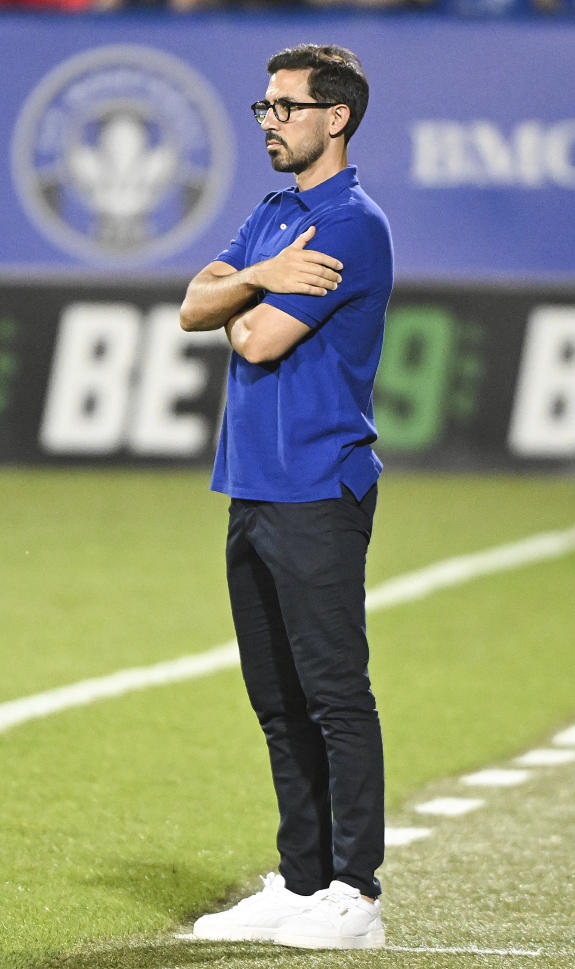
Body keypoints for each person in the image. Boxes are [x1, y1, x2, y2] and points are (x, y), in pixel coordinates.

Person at [179, 43, 393, 950]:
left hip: (317, 485)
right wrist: (259, 277)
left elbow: (256, 342)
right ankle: (302, 881)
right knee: (275, 696)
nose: (268, 121)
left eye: (284, 107)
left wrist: (240, 298)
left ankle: (356, 893)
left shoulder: (351, 222)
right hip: (252, 484)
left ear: (334, 117)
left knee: (335, 693)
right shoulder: (273, 215)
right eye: (264, 107)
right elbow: (194, 306)